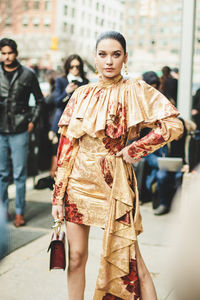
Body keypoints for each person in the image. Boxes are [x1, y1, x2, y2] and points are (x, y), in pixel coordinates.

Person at [51, 31, 183, 300]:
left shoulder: (135, 89)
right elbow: (66, 146)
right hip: (77, 185)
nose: (109, 61)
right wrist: (58, 195)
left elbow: (173, 125)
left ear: (125, 58)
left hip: (114, 186)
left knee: (132, 263)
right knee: (76, 257)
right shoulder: (80, 94)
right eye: (102, 55)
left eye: (116, 54)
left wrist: (135, 149)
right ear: (95, 59)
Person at [0, 38, 43, 227]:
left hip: (20, 129)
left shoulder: (28, 74)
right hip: (1, 129)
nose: (7, 57)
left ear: (16, 53)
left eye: (10, 53)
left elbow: (40, 100)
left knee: (19, 174)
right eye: (3, 53)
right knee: (1, 174)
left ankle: (19, 212)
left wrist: (32, 121)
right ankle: (2, 212)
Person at [49, 54, 89, 180]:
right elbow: (56, 102)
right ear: (68, 68)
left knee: (75, 159)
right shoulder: (61, 81)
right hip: (62, 124)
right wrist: (66, 92)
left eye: (77, 66)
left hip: (78, 126)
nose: (75, 69)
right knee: (59, 157)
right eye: (72, 67)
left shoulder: (85, 82)